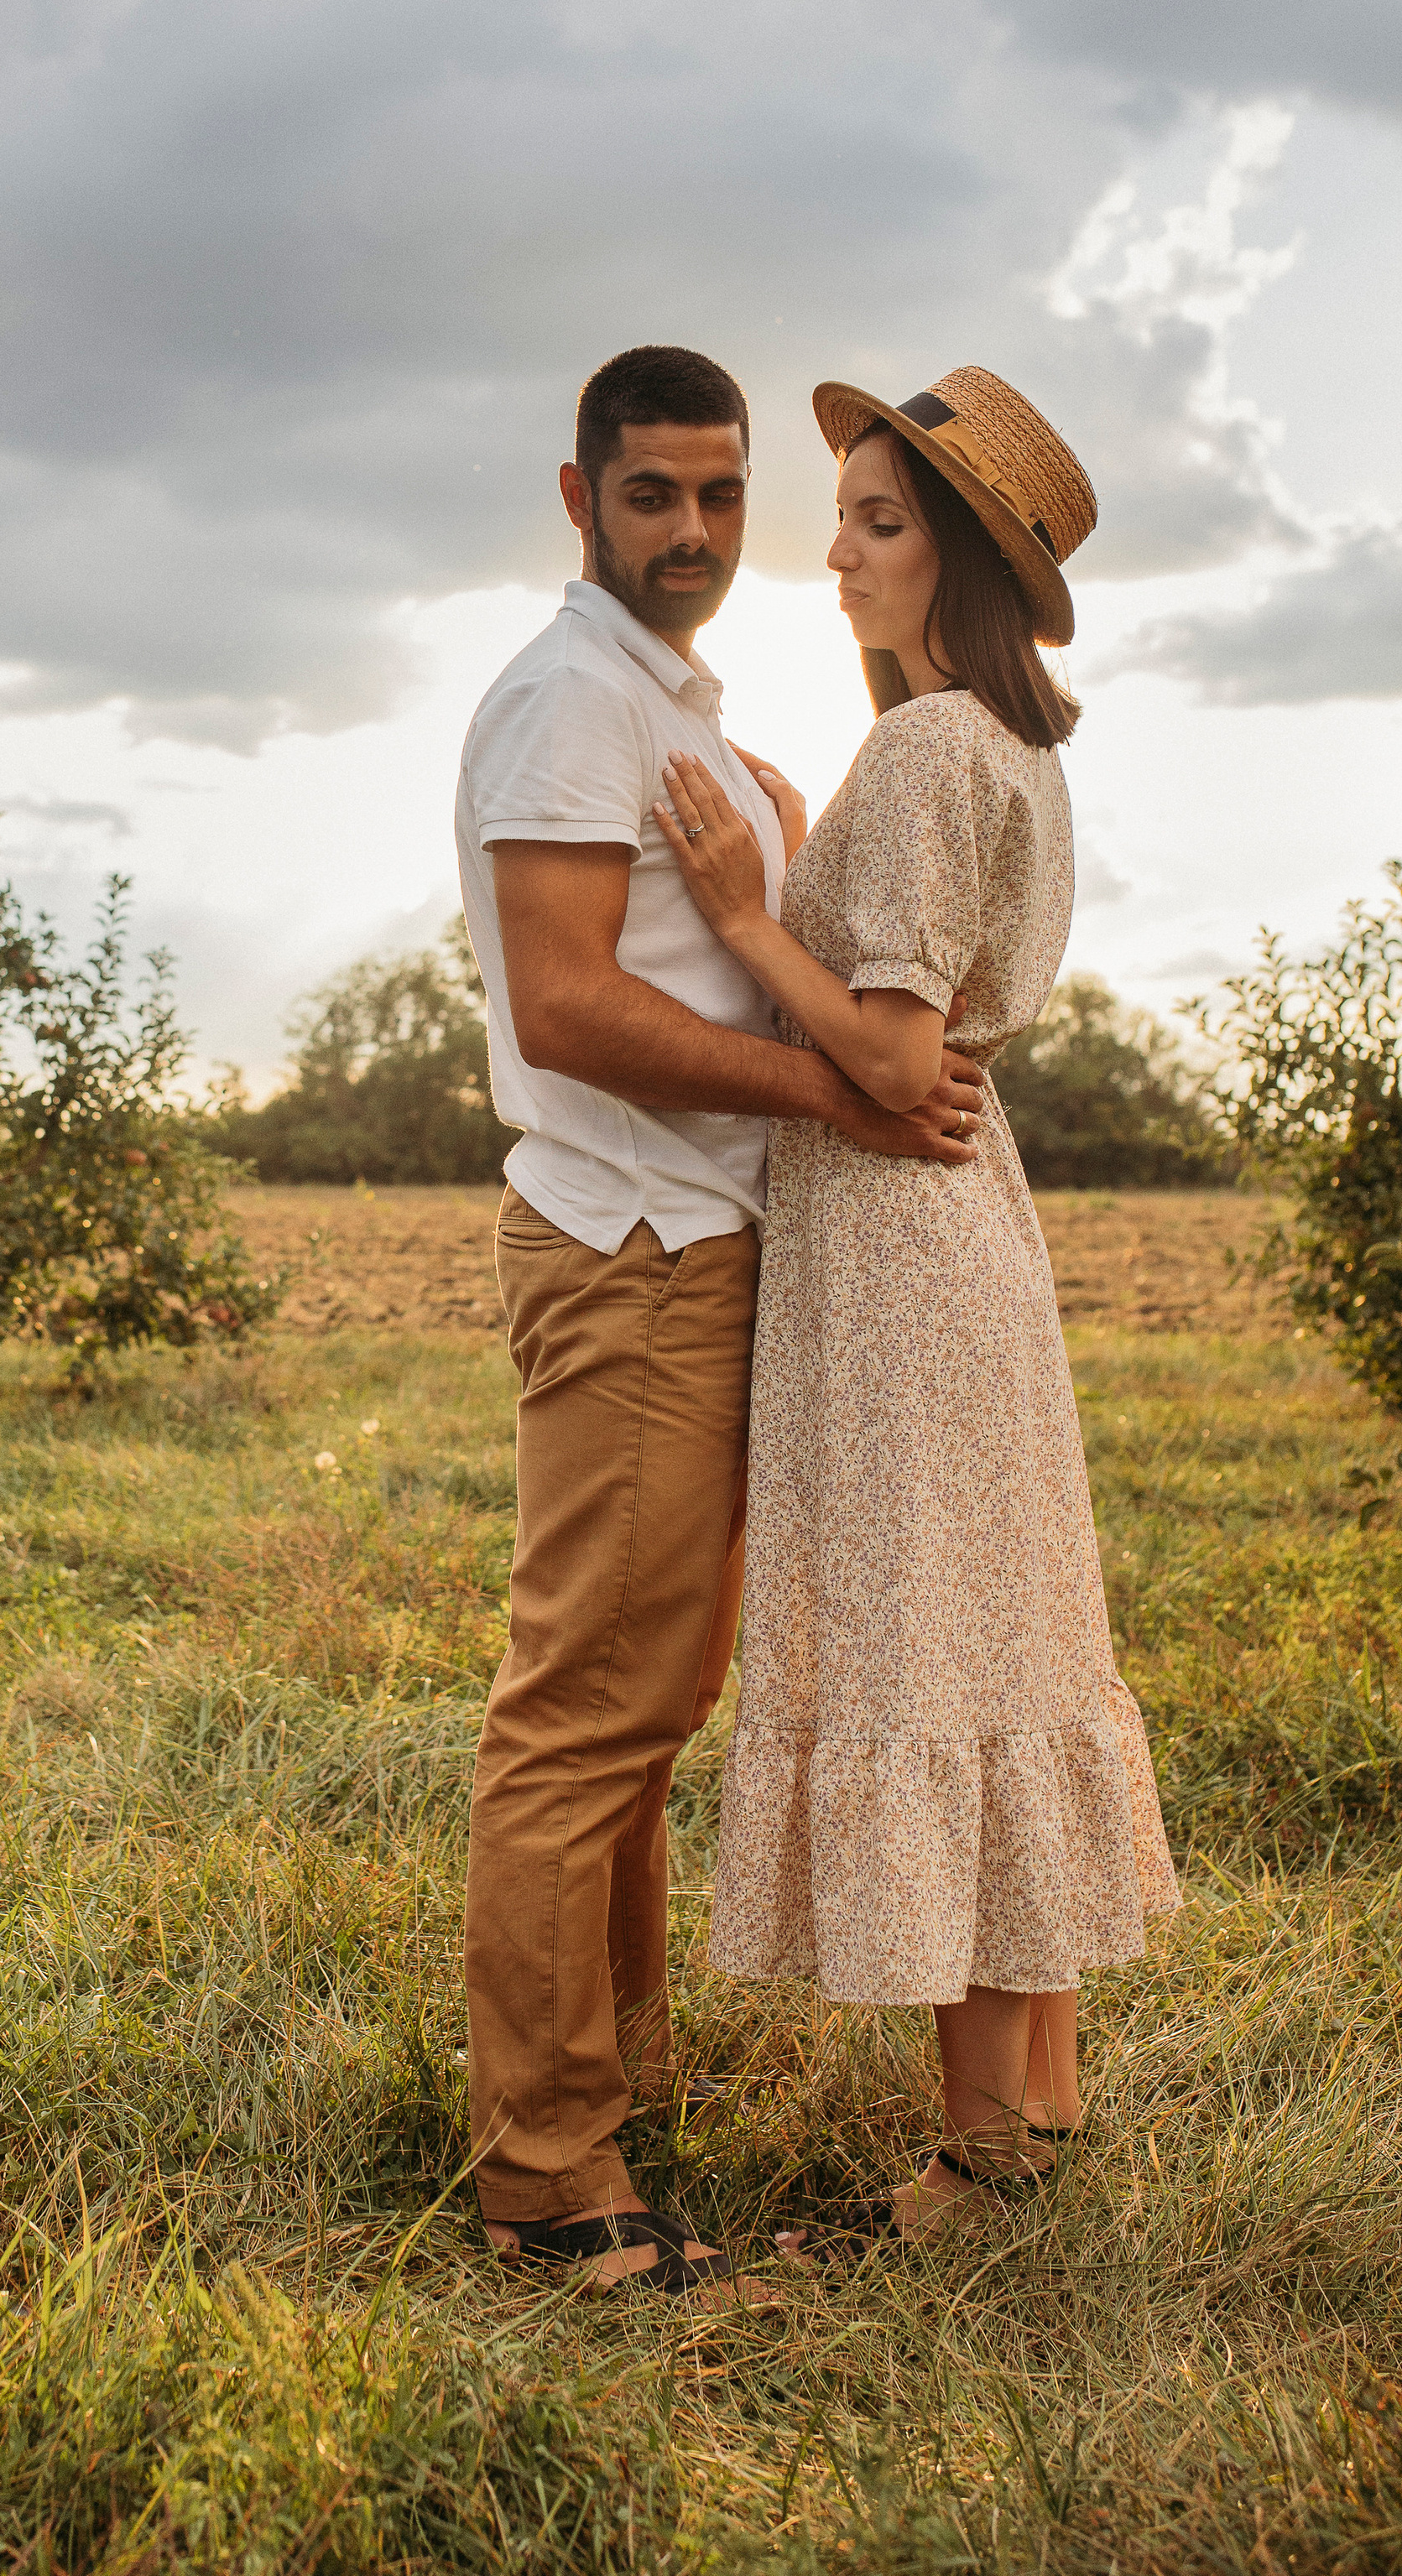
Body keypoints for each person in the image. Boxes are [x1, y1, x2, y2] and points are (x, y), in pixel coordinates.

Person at [455, 343, 995, 2300]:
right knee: (580, 1717)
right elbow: (566, 1010)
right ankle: (549, 2180)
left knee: (644, 1712)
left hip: (709, 1246)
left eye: (717, 494)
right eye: (649, 495)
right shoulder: (560, 709)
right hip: (636, 1252)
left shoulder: (659, 698)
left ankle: (620, 2092)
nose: (689, 532)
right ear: (577, 495)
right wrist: (835, 1096)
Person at [653, 366, 1180, 2241]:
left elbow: (884, 1053)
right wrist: (807, 855)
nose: (837, 548)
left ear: (957, 554)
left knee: (934, 1653)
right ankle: (1027, 2112)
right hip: (974, 1242)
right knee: (996, 1644)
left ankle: (967, 2159)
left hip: (896, 1249)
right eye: (849, 516)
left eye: (878, 520)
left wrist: (739, 913)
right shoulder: (1006, 754)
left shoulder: (929, 751)